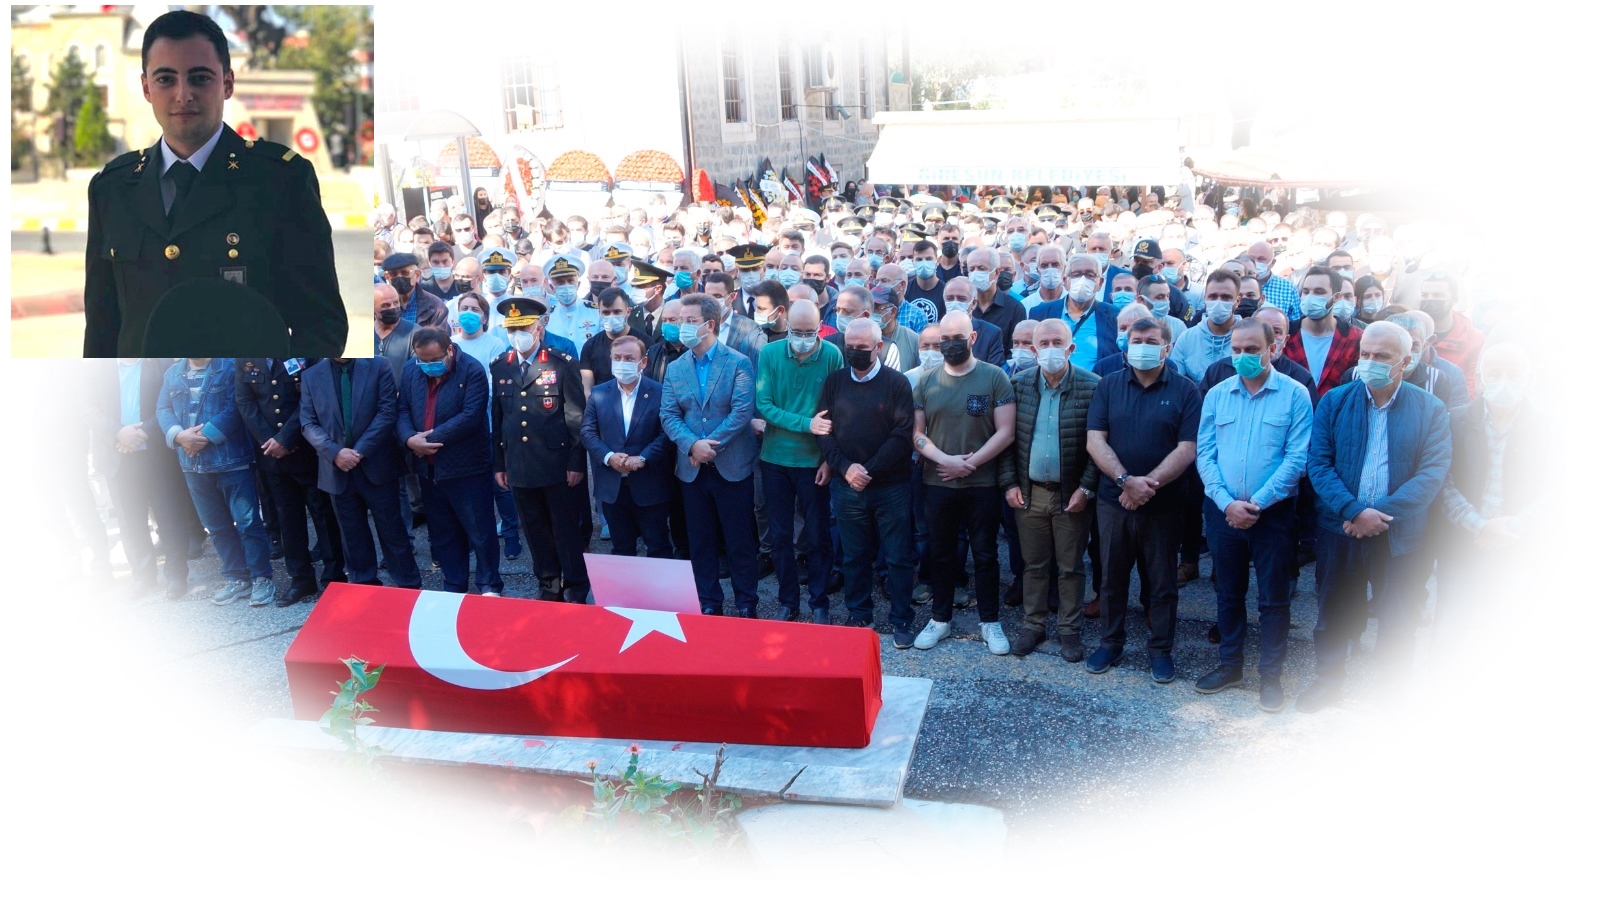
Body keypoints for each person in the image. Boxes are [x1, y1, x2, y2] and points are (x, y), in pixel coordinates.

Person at [83, 10, 344, 358]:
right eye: (165, 79)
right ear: (146, 87)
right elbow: (102, 329)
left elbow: (321, 326)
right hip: (144, 406)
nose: (183, 94)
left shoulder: (280, 182)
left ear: (227, 83)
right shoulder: (112, 188)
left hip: (244, 405)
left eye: (200, 78)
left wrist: (275, 399)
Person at [1298, 321, 1452, 712]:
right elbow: (1318, 463)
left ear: (1405, 361)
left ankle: (1389, 693)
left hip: (1398, 533)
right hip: (1340, 528)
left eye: (1381, 356)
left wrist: (1376, 515)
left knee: (1397, 616)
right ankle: (1328, 680)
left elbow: (1432, 474)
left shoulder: (1430, 408)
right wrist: (1352, 511)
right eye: (1365, 354)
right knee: (1333, 609)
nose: (1370, 362)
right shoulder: (1335, 401)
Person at [1194, 317, 1314, 712]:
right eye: (1237, 350)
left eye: (1252, 350)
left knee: (1273, 600)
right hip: (1223, 513)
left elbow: (1297, 458)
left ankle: (1270, 676)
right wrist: (1226, 502)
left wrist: (1257, 504)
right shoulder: (1217, 394)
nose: (1244, 357)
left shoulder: (1295, 395)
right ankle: (1231, 667)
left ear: (1272, 350)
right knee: (1228, 594)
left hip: (1273, 516)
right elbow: (1205, 453)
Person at [1085, 316, 1201, 684]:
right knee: (1111, 578)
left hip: (1163, 504)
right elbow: (1095, 440)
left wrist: (1145, 485)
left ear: (1167, 347)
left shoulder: (1186, 391)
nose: (1143, 346)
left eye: (1151, 340)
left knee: (1162, 581)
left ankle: (1160, 650)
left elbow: (1188, 448)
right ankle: (1110, 642)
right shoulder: (1108, 385)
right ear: (1126, 343)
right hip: (1112, 500)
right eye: (1136, 339)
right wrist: (1124, 481)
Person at [911, 310, 1017, 655]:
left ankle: (990, 621)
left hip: (982, 483)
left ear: (972, 339)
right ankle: (940, 619)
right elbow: (917, 433)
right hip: (938, 481)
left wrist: (969, 464)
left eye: (957, 338)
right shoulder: (927, 380)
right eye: (945, 339)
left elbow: (1006, 431)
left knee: (985, 554)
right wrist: (946, 461)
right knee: (941, 554)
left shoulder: (994, 377)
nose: (950, 345)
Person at [1003, 317, 1101, 661]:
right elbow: (1007, 442)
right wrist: (1010, 483)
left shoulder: (1092, 386)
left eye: (1056, 343)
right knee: (1033, 564)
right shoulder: (1017, 385)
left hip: (1071, 495)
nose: (1049, 350)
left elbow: (1099, 445)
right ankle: (1033, 625)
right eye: (1042, 344)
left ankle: (1069, 631)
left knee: (1071, 566)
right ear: (1032, 349)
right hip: (1030, 494)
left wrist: (1087, 488)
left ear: (1070, 347)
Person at [659, 294, 762, 616]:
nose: (682, 328)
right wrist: (692, 445)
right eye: (679, 321)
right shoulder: (676, 368)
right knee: (700, 541)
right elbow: (669, 414)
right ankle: (708, 602)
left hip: (732, 466)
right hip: (692, 470)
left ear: (710, 325)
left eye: (690, 321)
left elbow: (742, 411)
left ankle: (746, 602)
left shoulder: (737, 362)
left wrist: (707, 446)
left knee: (739, 541)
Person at [1437, 342, 1545, 648]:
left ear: (1529, 379)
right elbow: (1443, 483)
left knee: (1510, 636)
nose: (1504, 380)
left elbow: (1559, 490)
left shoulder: (1548, 428)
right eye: (1495, 373)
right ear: (1480, 379)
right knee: (1450, 634)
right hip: (1463, 544)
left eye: (1514, 373)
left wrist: (1511, 528)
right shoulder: (1453, 421)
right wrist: (1481, 526)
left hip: (1521, 546)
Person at [818, 317, 917, 646]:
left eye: (863, 347)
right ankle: (859, 613)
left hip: (891, 486)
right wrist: (846, 469)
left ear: (879, 346)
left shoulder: (897, 383)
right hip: (847, 486)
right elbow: (823, 431)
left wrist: (867, 470)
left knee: (898, 555)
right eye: (851, 347)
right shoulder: (834, 382)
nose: (856, 352)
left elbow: (902, 435)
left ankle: (902, 618)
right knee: (854, 555)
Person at [489, 296, 590, 603]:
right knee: (534, 529)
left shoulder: (560, 364)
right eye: (512, 329)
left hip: (556, 463)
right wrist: (499, 464)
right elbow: (499, 418)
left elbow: (575, 417)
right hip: (519, 465)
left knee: (565, 528)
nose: (518, 335)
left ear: (539, 327)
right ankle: (549, 584)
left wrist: (576, 463)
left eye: (525, 327)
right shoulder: (501, 366)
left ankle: (575, 584)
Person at [155, 356, 275, 606]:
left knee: (248, 522)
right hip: (192, 465)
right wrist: (179, 436)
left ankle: (262, 577)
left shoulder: (230, 366)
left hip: (232, 460)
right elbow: (163, 409)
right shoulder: (172, 373)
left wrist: (205, 436)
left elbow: (236, 406)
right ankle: (237, 578)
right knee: (217, 527)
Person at [755, 299, 843, 622]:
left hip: (814, 462)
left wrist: (829, 460)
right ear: (787, 326)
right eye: (797, 331)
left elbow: (837, 409)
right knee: (780, 536)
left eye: (810, 332)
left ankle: (819, 602)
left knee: (818, 535)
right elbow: (764, 405)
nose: (804, 338)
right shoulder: (770, 354)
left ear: (820, 327)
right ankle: (788, 601)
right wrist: (806, 423)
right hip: (775, 459)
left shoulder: (832, 355)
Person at [300, 355, 420, 590]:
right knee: (352, 536)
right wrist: (335, 453)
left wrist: (358, 451)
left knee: (392, 531)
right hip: (336, 469)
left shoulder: (379, 366)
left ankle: (408, 586)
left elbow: (387, 412)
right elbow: (308, 422)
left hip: (376, 464)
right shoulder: (311, 375)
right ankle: (364, 587)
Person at [399, 327, 502, 597]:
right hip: (428, 467)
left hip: (467, 465)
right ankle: (454, 583)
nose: (428, 365)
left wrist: (430, 439)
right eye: (422, 359)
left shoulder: (471, 370)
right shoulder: (412, 369)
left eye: (434, 359)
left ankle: (489, 584)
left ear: (450, 350)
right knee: (442, 531)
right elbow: (402, 410)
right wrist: (409, 438)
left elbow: (471, 415)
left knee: (479, 529)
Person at [234, 355, 343, 605]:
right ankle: (301, 579)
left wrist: (286, 438)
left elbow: (311, 396)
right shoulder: (245, 356)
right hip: (271, 454)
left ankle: (334, 577)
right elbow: (245, 401)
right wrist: (270, 440)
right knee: (288, 519)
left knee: (323, 515)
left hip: (306, 449)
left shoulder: (307, 350)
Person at [97, 358, 194, 599]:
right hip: (116, 455)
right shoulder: (97, 366)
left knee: (169, 516)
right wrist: (118, 432)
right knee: (130, 521)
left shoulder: (160, 363)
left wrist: (142, 433)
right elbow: (87, 408)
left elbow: (169, 404)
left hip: (156, 453)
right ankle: (143, 577)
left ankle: (176, 576)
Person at [580, 335, 674, 559]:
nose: (622, 362)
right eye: (617, 358)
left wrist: (643, 458)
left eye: (629, 358)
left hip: (650, 484)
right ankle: (627, 595)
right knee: (621, 549)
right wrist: (609, 456)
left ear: (643, 362)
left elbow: (666, 433)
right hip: (613, 486)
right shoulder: (599, 393)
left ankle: (660, 594)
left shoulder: (660, 392)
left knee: (658, 545)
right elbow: (587, 431)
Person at [1028, 253, 1120, 370]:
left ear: (1100, 283)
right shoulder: (1041, 312)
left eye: (1090, 275)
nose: (1083, 279)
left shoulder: (1114, 316)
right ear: (1065, 281)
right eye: (1076, 275)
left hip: (1096, 385)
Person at [1283, 266, 1364, 399]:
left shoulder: (1355, 338)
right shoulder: (1287, 334)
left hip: (1336, 415)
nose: (1310, 297)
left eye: (1319, 292)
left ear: (1336, 297)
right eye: (1306, 291)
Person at [1418, 270, 1485, 399]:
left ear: (1454, 300)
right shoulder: (1407, 331)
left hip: (1452, 405)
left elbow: (1471, 388)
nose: (1430, 299)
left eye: (1437, 295)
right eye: (1425, 295)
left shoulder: (1473, 339)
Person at [1169, 269, 1243, 382]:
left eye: (1226, 297)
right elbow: (1175, 381)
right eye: (1213, 296)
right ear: (1205, 299)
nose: (1219, 301)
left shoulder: (1249, 338)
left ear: (1237, 301)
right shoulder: (1187, 338)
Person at [581, 287, 654, 392]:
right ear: (599, 313)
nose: (611, 316)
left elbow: (652, 383)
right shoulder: (590, 346)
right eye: (606, 312)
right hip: (601, 406)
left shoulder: (646, 343)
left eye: (617, 312)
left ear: (628, 312)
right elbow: (587, 389)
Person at [942, 276, 1007, 366]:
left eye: (961, 298)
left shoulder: (991, 333)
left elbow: (994, 373)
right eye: (950, 298)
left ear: (973, 303)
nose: (955, 302)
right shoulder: (933, 331)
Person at [542, 252, 601, 351]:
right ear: (552, 287)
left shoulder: (595, 311)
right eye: (560, 282)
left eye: (570, 281)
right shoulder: (547, 316)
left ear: (578, 284)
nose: (566, 285)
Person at [380, 252, 449, 330]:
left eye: (405, 273)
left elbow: (440, 339)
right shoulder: (379, 305)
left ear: (417, 275)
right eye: (393, 274)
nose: (399, 277)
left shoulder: (435, 306)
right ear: (387, 277)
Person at [374, 282, 417, 382]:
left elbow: (417, 374)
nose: (392, 307)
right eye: (386, 305)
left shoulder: (414, 333)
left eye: (396, 302)